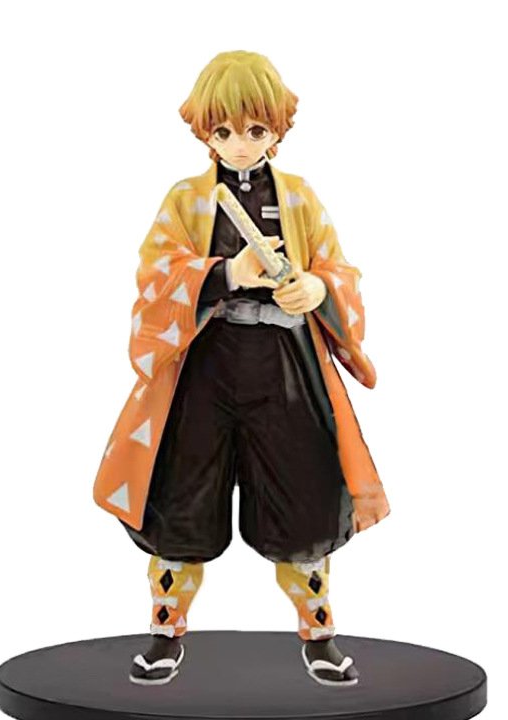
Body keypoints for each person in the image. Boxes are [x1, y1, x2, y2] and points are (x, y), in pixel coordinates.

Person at [93, 51, 390, 687]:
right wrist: (227, 273)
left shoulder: (300, 198)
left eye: (255, 130)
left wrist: (317, 287)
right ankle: (166, 631)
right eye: (224, 130)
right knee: (179, 501)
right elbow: (155, 276)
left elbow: (339, 268)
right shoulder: (186, 200)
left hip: (284, 367)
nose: (239, 144)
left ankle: (319, 633)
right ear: (205, 131)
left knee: (306, 500)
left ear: (277, 130)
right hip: (204, 368)